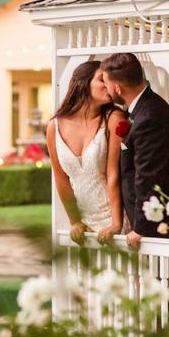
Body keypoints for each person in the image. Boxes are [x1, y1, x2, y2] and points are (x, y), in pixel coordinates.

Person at [99, 52, 169, 248]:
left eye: (107, 84)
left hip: (154, 227)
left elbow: (149, 174)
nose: (107, 90)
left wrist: (141, 228)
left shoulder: (150, 115)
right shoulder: (140, 109)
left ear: (118, 87)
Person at [46, 61, 127, 246]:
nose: (109, 86)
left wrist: (116, 223)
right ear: (83, 82)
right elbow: (61, 178)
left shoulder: (114, 119)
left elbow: (113, 174)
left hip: (115, 220)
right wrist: (74, 221)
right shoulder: (54, 126)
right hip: (84, 227)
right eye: (102, 80)